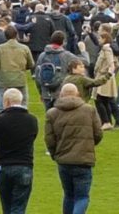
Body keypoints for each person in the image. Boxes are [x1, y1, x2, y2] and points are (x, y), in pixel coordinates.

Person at [0, 88, 38, 214]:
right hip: (24, 165)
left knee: (7, 206)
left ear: (7, 102)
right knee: (18, 207)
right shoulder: (32, 120)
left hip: (3, 165)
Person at [45, 83, 103, 214]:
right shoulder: (89, 110)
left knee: (69, 195)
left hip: (63, 160)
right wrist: (88, 145)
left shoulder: (52, 113)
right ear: (77, 94)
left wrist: (55, 154)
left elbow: (49, 139)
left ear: (61, 94)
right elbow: (98, 133)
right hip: (83, 159)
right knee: (82, 197)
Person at [34, 31, 90, 110]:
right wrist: (83, 51)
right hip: (61, 93)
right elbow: (86, 62)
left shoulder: (42, 56)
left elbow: (37, 76)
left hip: (46, 92)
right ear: (63, 42)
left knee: (49, 115)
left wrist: (41, 92)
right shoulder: (66, 55)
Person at [0, 25, 34, 111]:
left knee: (2, 106)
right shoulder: (24, 48)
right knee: (22, 105)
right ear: (16, 34)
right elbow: (31, 64)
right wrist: (22, 68)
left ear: (5, 36)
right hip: (19, 79)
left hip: (5, 80)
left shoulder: (0, 48)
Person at [93, 32, 119, 130]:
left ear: (104, 39)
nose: (98, 40)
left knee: (99, 99)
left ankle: (106, 121)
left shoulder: (106, 49)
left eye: (100, 38)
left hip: (104, 77)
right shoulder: (106, 49)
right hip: (103, 76)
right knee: (105, 100)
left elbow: (111, 63)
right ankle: (108, 122)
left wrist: (108, 74)